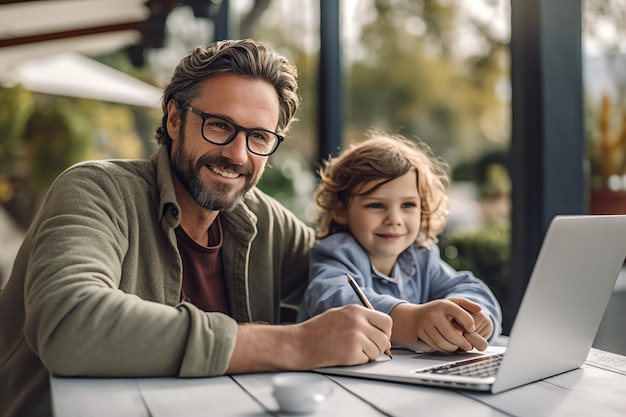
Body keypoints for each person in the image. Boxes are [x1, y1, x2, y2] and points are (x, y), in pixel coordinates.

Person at [0, 39, 392, 417]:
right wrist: (296, 344)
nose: (238, 154)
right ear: (174, 119)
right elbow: (70, 324)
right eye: (220, 126)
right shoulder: (97, 190)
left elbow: (345, 268)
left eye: (258, 137)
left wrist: (416, 315)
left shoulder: (265, 221)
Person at [297, 131, 502, 353]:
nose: (394, 219)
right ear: (340, 210)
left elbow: (468, 287)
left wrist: (472, 317)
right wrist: (411, 320)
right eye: (376, 205)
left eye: (408, 206)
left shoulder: (420, 256)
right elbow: (331, 298)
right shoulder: (339, 252)